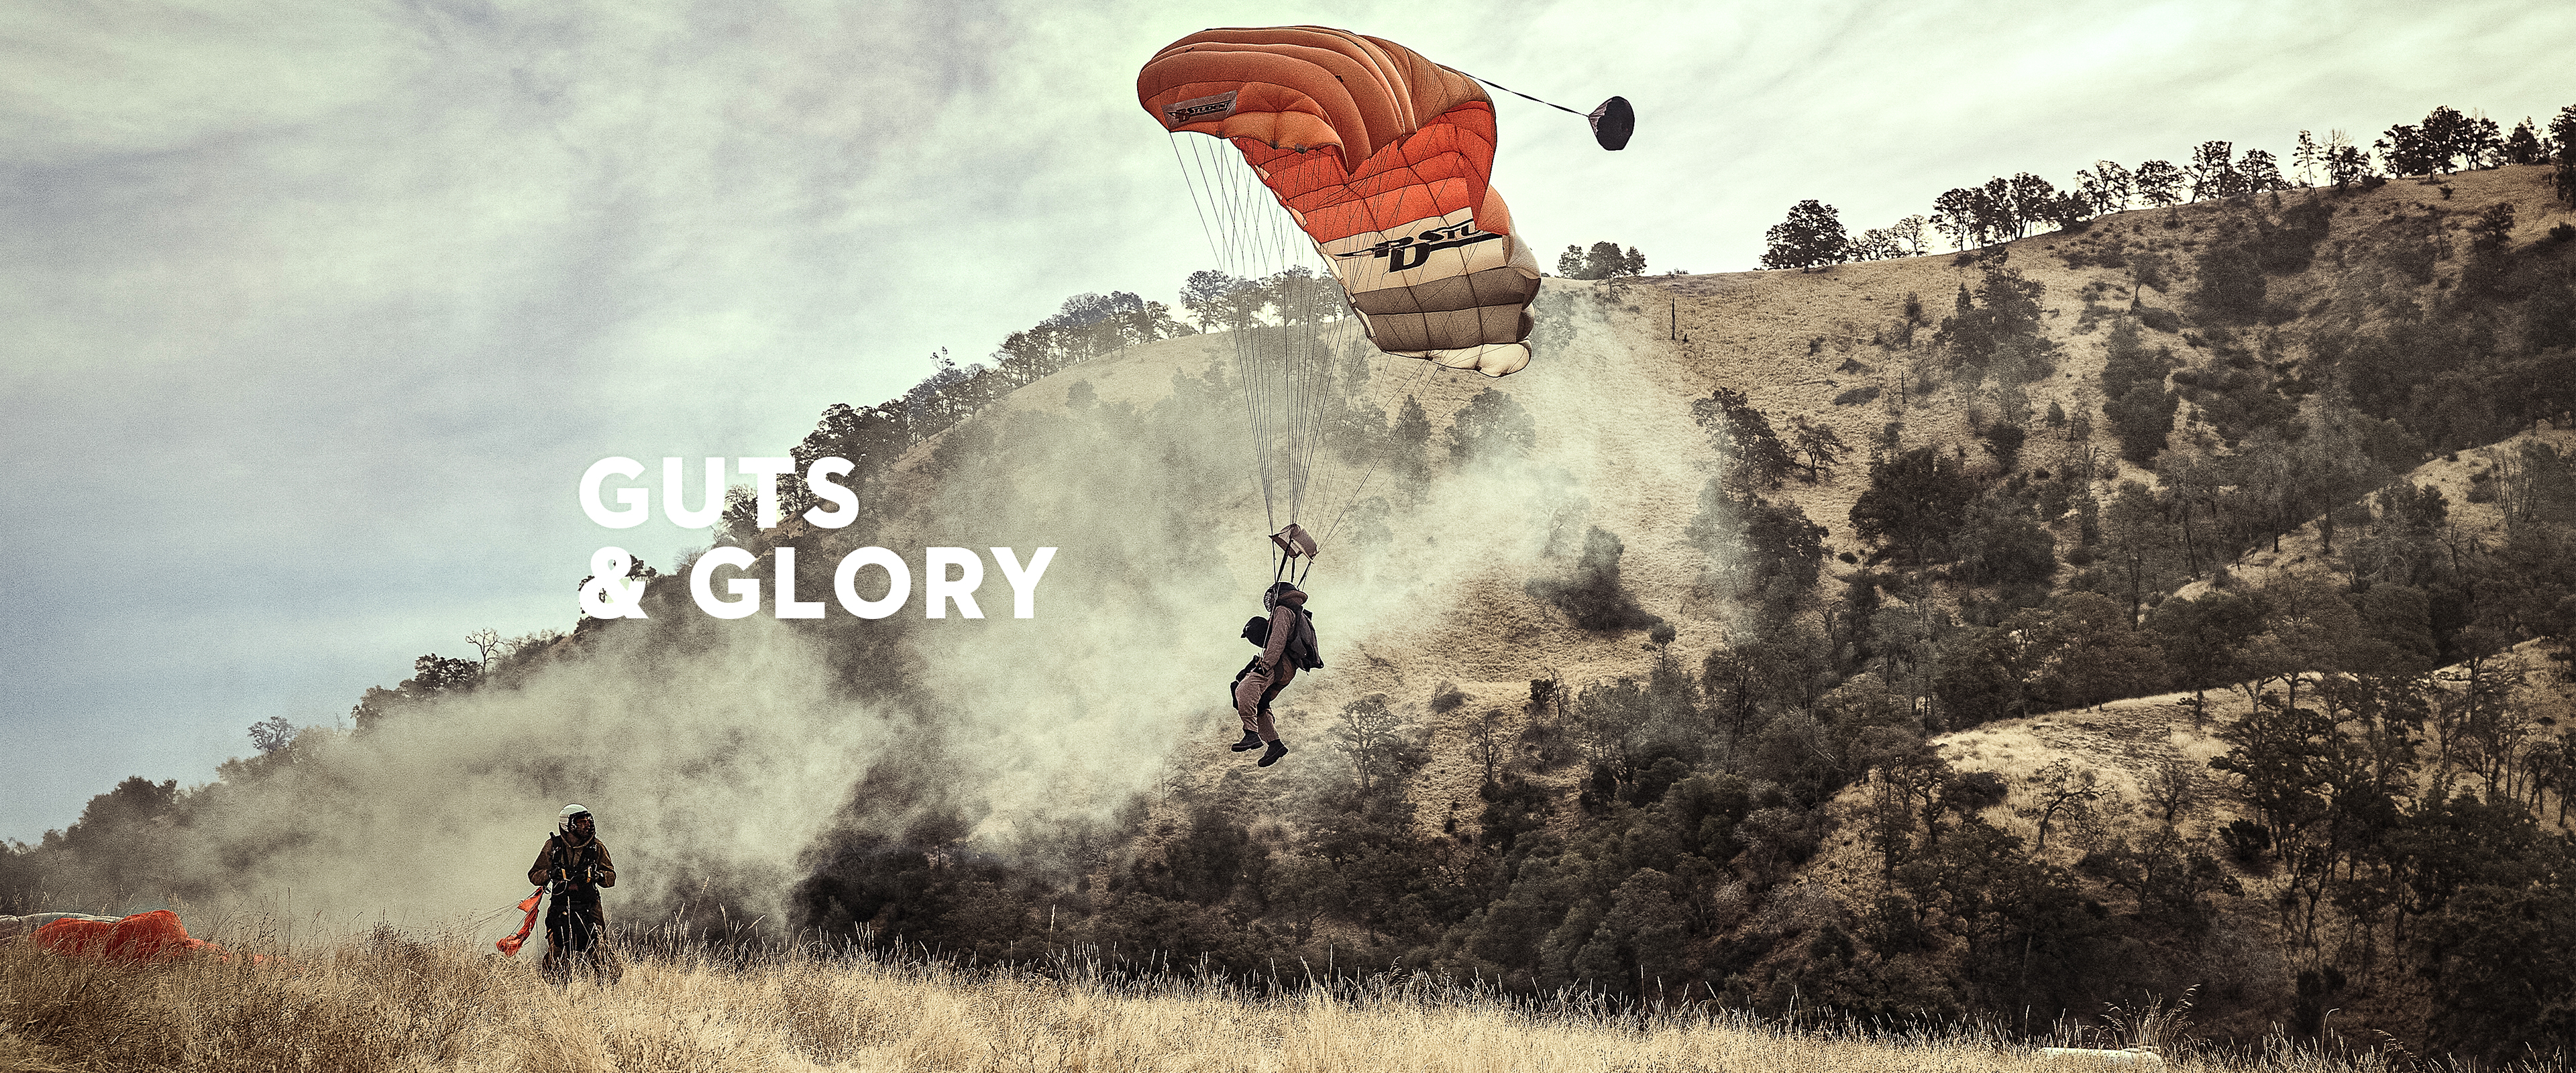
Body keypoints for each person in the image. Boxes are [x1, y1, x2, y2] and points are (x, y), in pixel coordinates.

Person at [527, 803, 619, 984]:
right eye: (581, 822)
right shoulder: (554, 847)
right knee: (558, 951)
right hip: (561, 907)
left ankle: (608, 990)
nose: (587, 825)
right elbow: (534, 875)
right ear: (568, 825)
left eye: (587, 821)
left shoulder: (596, 847)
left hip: (590, 907)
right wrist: (550, 874)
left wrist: (596, 876)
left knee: (600, 950)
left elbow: (611, 877)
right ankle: (556, 990)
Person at [1232, 581, 1319, 767]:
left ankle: (1251, 733)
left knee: (1242, 689)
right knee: (1261, 701)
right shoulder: (1295, 611)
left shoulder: (1282, 610)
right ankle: (1274, 744)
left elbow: (1278, 640)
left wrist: (1266, 664)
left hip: (1279, 663)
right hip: (1288, 668)